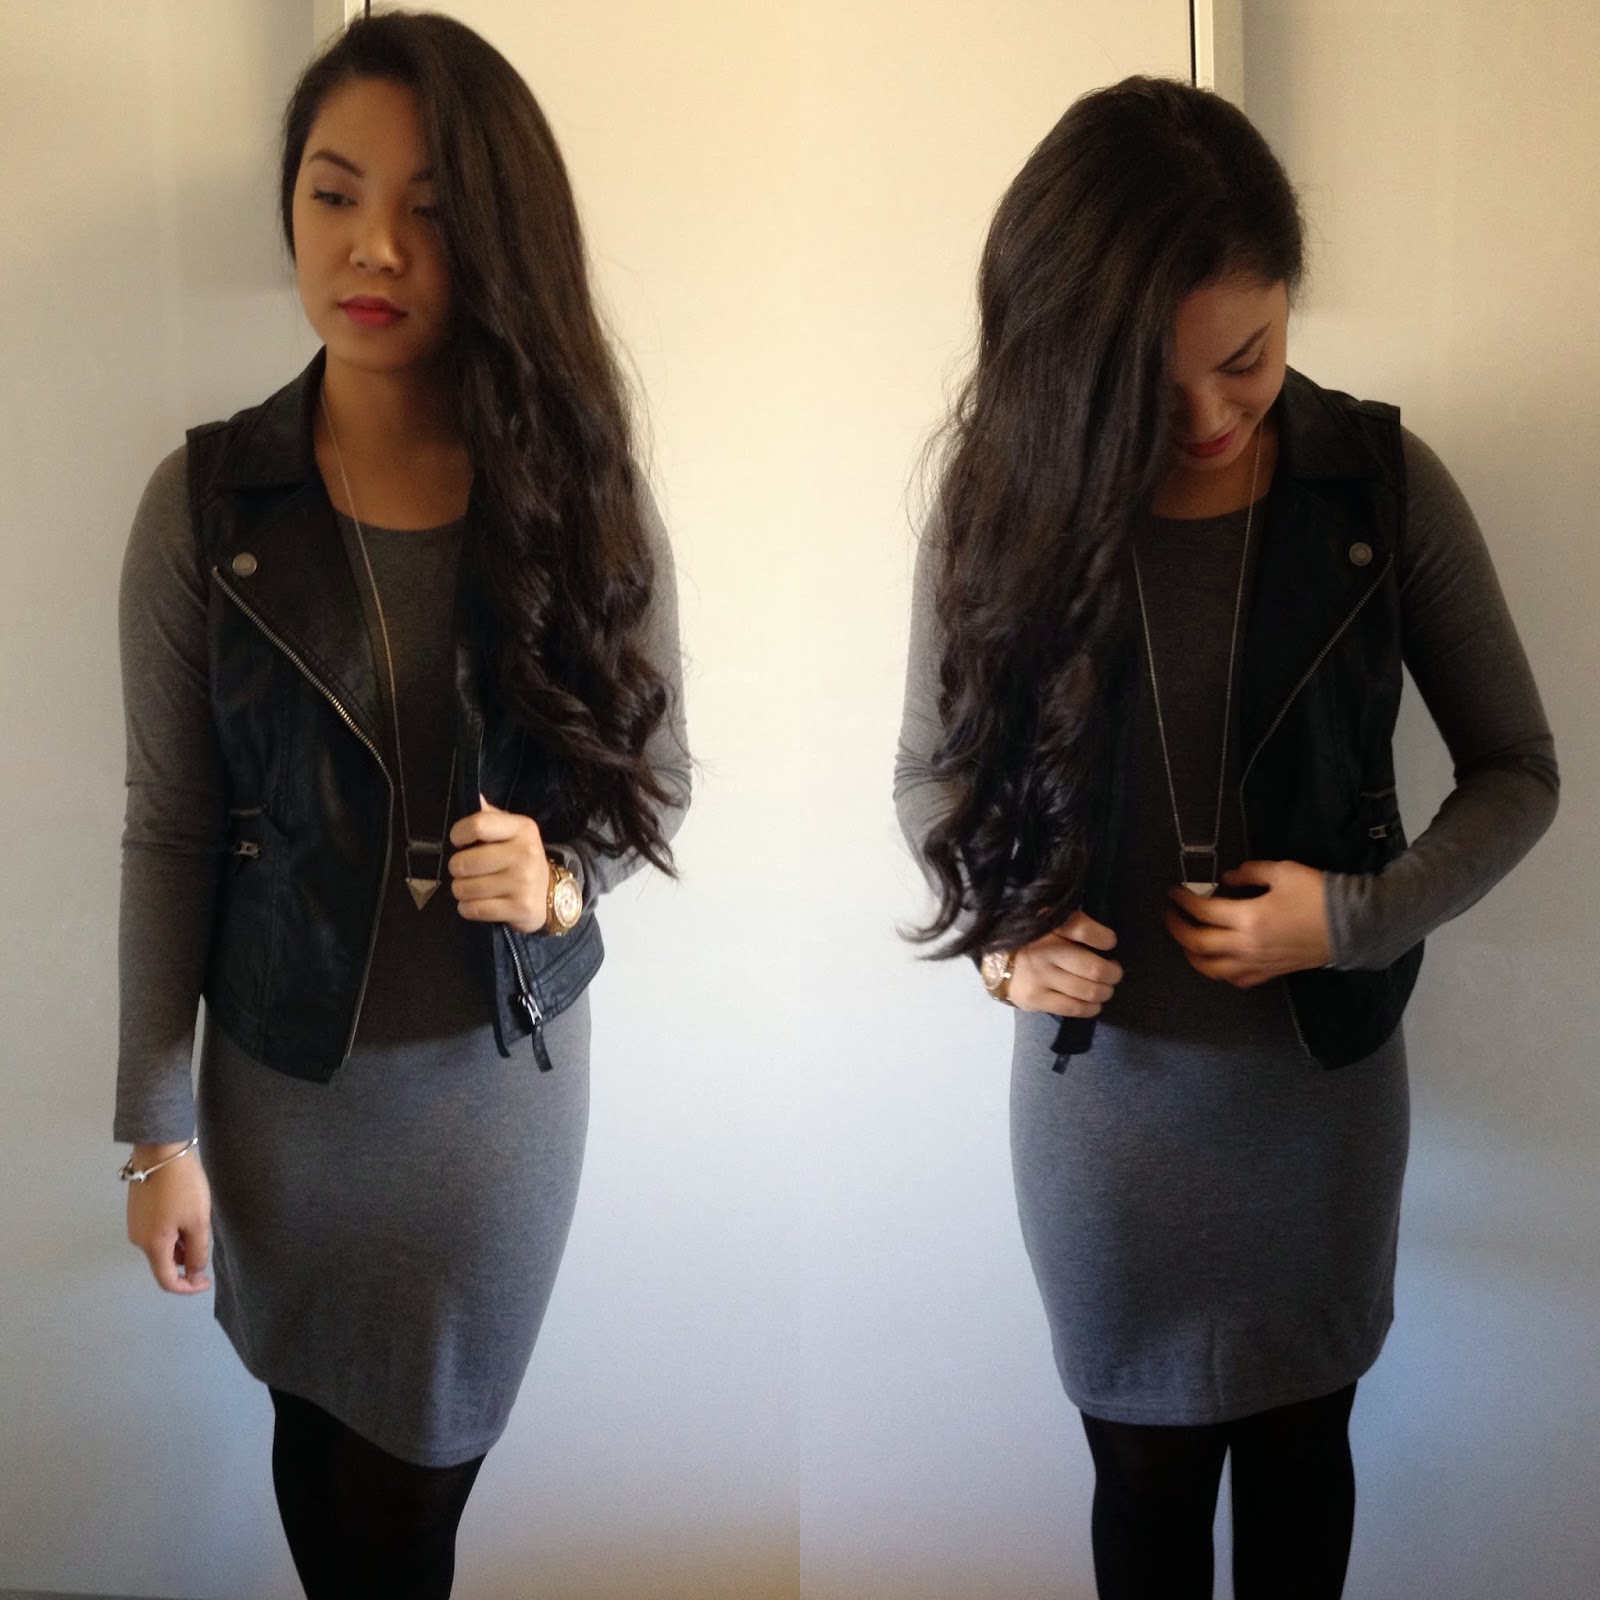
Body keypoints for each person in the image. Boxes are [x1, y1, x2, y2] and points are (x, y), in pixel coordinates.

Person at [894, 77, 1557, 1600]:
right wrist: (1000, 944)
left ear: (1289, 301)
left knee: (1305, 1456)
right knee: (1138, 1479)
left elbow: (1518, 772)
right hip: (1103, 1117)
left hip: (1319, 1103)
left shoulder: (1378, 487)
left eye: (1245, 360)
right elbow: (929, 774)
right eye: (1152, 384)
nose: (1206, 418)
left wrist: (1358, 917)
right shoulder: (999, 503)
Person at [115, 12, 689, 1595]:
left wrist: (559, 878)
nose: (371, 245)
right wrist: (154, 1132)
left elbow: (657, 783)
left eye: (430, 209)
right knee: (312, 1457)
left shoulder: (581, 500)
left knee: (411, 1506)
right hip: (280, 1095)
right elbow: (169, 828)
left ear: (498, 236)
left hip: (489, 1108)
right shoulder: (207, 507)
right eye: (334, 193)